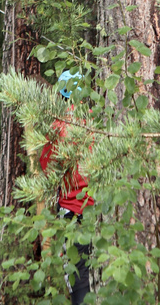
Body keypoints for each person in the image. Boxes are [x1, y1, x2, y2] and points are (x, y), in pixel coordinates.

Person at [40, 71, 94, 305]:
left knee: (79, 278)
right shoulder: (98, 123)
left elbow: (47, 169)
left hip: (72, 215)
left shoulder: (57, 127)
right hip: (101, 212)